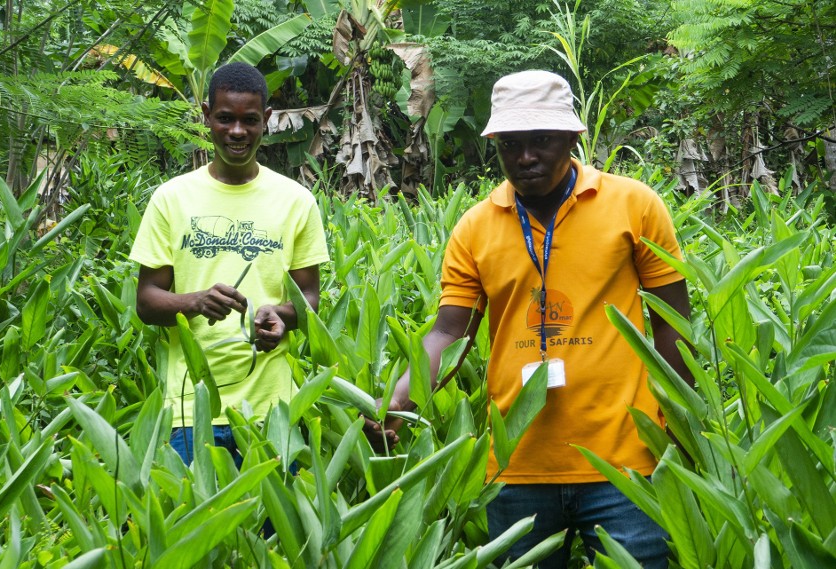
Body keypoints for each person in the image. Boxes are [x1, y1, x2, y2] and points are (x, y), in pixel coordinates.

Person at [364, 70, 693, 568]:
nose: (525, 157)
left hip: (626, 459)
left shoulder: (634, 206)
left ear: (572, 137)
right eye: (510, 144)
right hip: (517, 464)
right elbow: (450, 332)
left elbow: (671, 321)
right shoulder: (475, 227)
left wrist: (684, 425)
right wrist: (401, 397)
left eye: (541, 140)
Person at [130, 61, 329, 466]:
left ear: (267, 120)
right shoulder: (171, 199)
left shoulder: (296, 201)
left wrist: (281, 316)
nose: (237, 132)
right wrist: (196, 302)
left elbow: (309, 298)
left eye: (249, 120)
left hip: (274, 410)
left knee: (274, 530)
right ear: (207, 116)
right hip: (191, 408)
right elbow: (147, 302)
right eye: (224, 119)